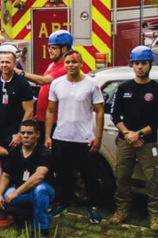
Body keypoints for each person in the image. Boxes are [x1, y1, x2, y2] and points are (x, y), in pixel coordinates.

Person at [108, 46, 158, 231]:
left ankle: (155, 215)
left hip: (147, 142)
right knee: (122, 176)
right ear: (131, 65)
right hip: (126, 140)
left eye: (143, 63)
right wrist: (128, 134)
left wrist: (139, 134)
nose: (140, 67)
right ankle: (122, 210)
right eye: (136, 63)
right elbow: (115, 115)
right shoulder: (123, 88)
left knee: (153, 178)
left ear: (150, 65)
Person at [45, 51, 104, 221]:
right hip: (61, 137)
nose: (71, 65)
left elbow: (99, 111)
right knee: (62, 174)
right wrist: (48, 136)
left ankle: (92, 206)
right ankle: (62, 203)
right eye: (68, 62)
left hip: (84, 138)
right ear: (64, 64)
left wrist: (98, 137)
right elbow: (50, 110)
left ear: (81, 64)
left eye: (74, 62)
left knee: (89, 175)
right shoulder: (56, 83)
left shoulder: (92, 84)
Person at [0, 120, 55, 235]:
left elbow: (39, 176)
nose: (25, 136)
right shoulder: (14, 152)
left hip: (42, 192)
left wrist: (16, 193)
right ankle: (29, 213)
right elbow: (5, 175)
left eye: (29, 133)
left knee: (40, 190)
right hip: (22, 193)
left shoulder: (44, 152)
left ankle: (41, 228)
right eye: (23, 132)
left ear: (38, 134)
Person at [20, 30, 73, 137]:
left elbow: (43, 81)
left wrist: (20, 72)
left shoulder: (64, 68)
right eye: (49, 47)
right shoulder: (52, 65)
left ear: (64, 49)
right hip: (42, 119)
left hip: (55, 121)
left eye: (53, 48)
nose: (49, 50)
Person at [0, 50, 34, 148]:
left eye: (7, 62)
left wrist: (20, 133)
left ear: (15, 64)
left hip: (14, 134)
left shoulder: (23, 84)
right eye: (2, 62)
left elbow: (29, 111)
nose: (4, 65)